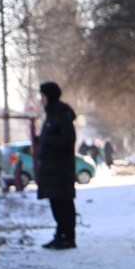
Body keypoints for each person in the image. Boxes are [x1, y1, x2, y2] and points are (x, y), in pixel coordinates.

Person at [34, 81, 78, 250]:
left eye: (43, 96)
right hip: (52, 170)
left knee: (64, 204)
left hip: (60, 170)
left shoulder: (61, 114)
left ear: (49, 96)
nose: (41, 100)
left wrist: (46, 141)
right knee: (56, 204)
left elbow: (67, 140)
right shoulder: (52, 115)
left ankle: (67, 237)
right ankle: (60, 234)